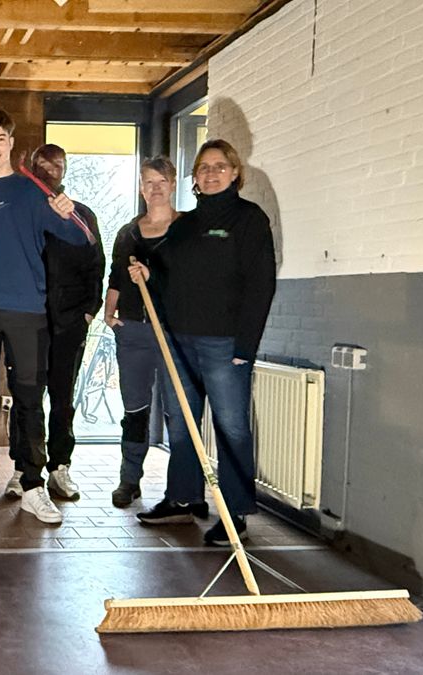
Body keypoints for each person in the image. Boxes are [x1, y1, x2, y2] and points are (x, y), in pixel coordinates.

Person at [0, 108, 92, 525]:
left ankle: (31, 483)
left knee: (29, 399)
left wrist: (66, 212)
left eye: (0, 139)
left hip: (28, 313)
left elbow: (82, 238)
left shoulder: (31, 192)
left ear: (11, 144)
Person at [130, 139, 276, 546]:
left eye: (219, 166)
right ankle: (182, 499)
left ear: (234, 173)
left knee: (231, 428)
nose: (210, 174)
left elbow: (261, 286)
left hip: (224, 345)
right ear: (194, 177)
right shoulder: (186, 226)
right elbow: (168, 279)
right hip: (179, 342)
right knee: (182, 425)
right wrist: (147, 273)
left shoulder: (249, 220)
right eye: (203, 168)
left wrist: (244, 348)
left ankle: (234, 515)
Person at [6, 144, 105, 503]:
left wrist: (90, 310)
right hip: (27, 324)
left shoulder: (82, 214)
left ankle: (60, 467)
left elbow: (97, 264)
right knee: (25, 399)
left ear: (65, 170)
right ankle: (22, 468)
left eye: (58, 165)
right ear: (33, 169)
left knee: (62, 399)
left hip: (69, 324)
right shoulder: (20, 215)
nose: (52, 170)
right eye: (44, 165)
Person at [104, 156, 180, 508]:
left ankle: (181, 489)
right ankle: (129, 479)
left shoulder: (186, 231)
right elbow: (116, 278)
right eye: (148, 182)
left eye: (161, 181)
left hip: (173, 332)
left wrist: (155, 278)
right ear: (141, 187)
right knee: (135, 409)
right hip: (133, 331)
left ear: (173, 183)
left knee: (178, 411)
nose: (155, 188)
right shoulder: (128, 233)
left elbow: (194, 283)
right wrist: (109, 314)